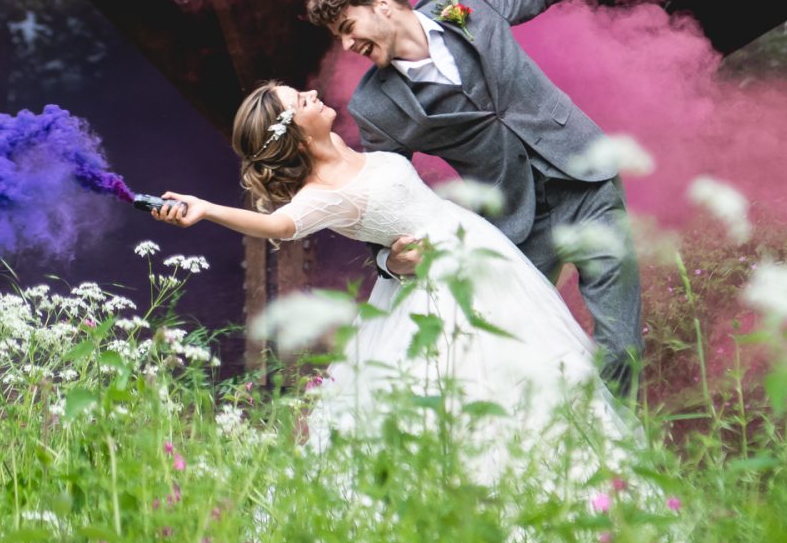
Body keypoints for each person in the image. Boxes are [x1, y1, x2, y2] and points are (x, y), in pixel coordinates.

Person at [152, 82, 637, 487]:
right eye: (301, 101)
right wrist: (207, 209)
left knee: (544, 368)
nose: (312, 92)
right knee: (472, 389)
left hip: (484, 256)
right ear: (296, 138)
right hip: (441, 287)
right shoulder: (321, 195)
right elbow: (281, 227)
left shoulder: (341, 146)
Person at [302, 0, 644, 398]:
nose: (347, 47)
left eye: (348, 29)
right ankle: (545, 468)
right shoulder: (375, 105)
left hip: (587, 178)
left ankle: (618, 469)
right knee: (517, 354)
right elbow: (383, 192)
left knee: (621, 344)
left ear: (383, 4)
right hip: (517, 225)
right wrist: (390, 260)